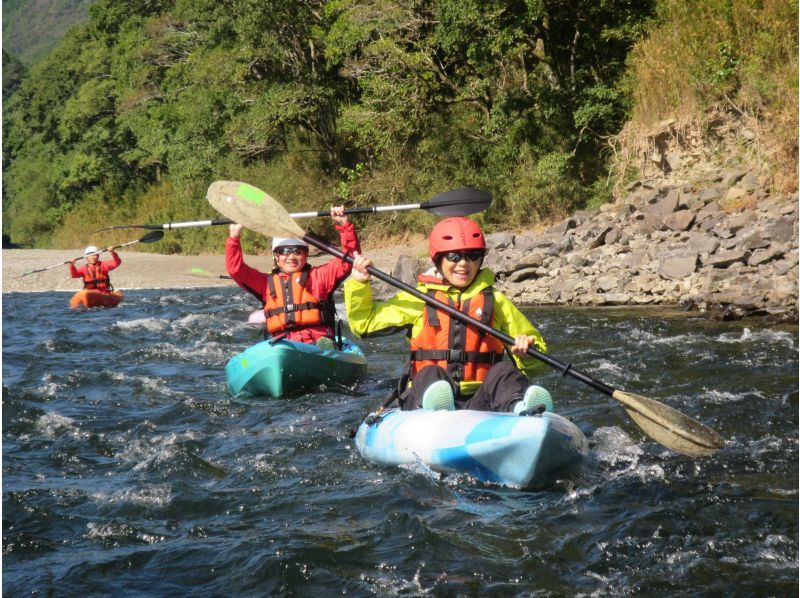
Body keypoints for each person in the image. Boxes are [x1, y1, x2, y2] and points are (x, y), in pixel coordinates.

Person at [345, 216, 553, 414]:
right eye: (454, 256)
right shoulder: (419, 298)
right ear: (438, 259)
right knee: (431, 374)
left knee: (504, 372)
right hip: (425, 401)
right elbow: (364, 324)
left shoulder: (495, 301)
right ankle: (437, 409)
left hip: (481, 402)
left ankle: (521, 408)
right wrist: (359, 284)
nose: (464, 263)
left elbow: (537, 362)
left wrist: (526, 350)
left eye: (472, 256)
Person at [226, 206, 360, 346]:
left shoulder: (320, 276)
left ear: (306, 255)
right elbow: (235, 269)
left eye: (297, 251)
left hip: (318, 344)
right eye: (284, 251)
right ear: (276, 257)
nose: (291, 257)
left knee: (322, 344)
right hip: (282, 345)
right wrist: (234, 237)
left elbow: (350, 258)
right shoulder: (265, 283)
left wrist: (344, 225)